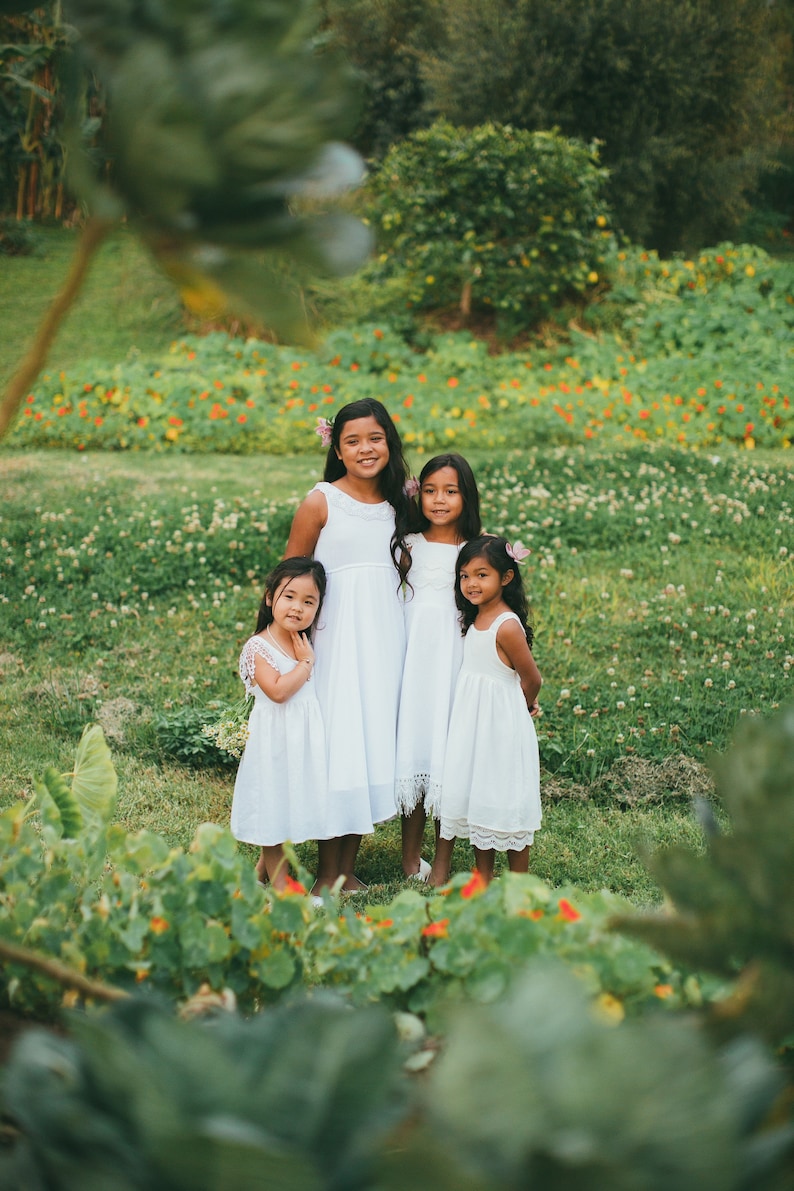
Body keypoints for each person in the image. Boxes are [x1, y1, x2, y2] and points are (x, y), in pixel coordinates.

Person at [284, 398, 411, 893]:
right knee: (337, 747)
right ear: (336, 449)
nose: (365, 449)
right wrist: (287, 644)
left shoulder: (402, 504)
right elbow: (288, 581)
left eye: (375, 438)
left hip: (383, 643)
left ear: (389, 442)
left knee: (369, 743)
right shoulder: (321, 502)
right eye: (352, 441)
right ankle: (323, 872)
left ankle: (347, 869)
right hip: (332, 644)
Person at [395, 453, 482, 886]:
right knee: (415, 753)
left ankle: (442, 863)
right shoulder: (407, 545)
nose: (439, 500)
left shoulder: (478, 549)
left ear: (467, 496)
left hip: (457, 666)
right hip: (414, 668)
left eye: (450, 491)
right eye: (429, 491)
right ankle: (410, 859)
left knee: (447, 758)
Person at [438, 535, 542, 883]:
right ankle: (482, 876)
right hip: (473, 726)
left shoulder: (506, 625)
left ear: (506, 578)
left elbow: (532, 678)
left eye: (482, 575)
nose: (471, 583)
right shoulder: (475, 618)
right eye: (464, 575)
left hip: (501, 727)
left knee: (505, 795)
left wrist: (523, 707)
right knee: (479, 795)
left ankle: (518, 880)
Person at [230, 557, 329, 893]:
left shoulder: (302, 639)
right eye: (289, 597)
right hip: (274, 744)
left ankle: (257, 876)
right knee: (273, 811)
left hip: (300, 743)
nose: (297, 608)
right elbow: (278, 692)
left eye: (308, 601)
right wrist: (305, 663)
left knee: (286, 808)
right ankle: (284, 889)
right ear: (270, 597)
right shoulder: (260, 646)